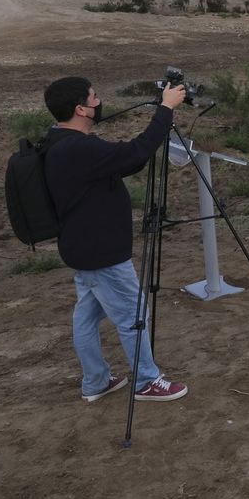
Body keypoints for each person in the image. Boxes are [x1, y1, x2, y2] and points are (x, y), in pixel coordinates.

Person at [42, 74, 189, 404]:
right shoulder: (79, 148)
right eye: (94, 97)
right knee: (133, 314)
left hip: (81, 248)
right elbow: (136, 153)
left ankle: (95, 382)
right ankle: (147, 381)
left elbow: (123, 162)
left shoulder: (58, 141)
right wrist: (165, 110)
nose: (99, 102)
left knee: (87, 316)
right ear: (81, 109)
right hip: (102, 252)